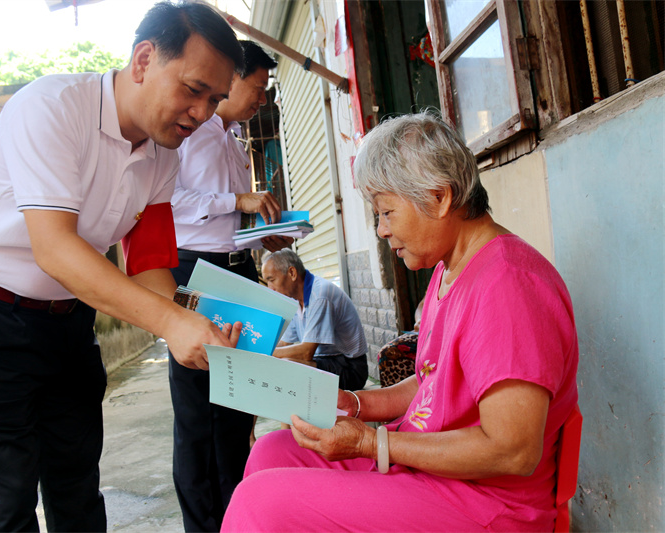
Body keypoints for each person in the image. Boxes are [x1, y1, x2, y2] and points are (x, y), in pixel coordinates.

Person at [0, 2, 244, 531]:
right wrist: (169, 323)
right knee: (4, 504)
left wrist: (200, 326)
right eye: (193, 90)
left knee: (77, 488)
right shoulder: (53, 107)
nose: (202, 113)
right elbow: (54, 248)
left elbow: (148, 263)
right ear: (143, 59)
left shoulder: (164, 154)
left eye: (215, 100)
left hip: (69, 318)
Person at [221, 112, 579, 532]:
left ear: (440, 197)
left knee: (259, 503)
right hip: (430, 469)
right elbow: (434, 383)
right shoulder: (450, 271)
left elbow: (513, 451)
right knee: (273, 451)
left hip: (484, 503)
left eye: (387, 212)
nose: (381, 230)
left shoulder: (509, 285)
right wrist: (356, 405)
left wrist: (372, 443)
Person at [166, 40, 289, 533]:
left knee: (237, 403)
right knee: (200, 408)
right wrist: (237, 199)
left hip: (235, 266)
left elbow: (232, 214)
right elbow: (170, 202)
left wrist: (268, 230)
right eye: (257, 88)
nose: (261, 100)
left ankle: (239, 515)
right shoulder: (188, 133)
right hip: (197, 271)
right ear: (231, 78)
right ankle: (205, 524)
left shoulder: (231, 139)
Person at [261, 249, 368, 391]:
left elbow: (306, 353)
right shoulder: (295, 300)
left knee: (288, 364)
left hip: (350, 368)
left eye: (272, 280)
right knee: (279, 361)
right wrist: (260, 349)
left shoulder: (320, 295)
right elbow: (285, 342)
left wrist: (267, 354)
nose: (270, 289)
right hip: (326, 361)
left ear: (292, 273)